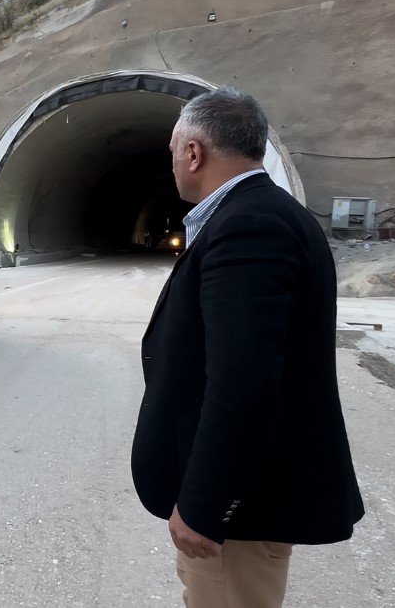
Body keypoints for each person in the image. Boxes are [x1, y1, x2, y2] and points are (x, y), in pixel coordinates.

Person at [131, 87, 365, 607]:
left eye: (172, 153)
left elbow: (243, 384)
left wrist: (204, 504)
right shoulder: (267, 214)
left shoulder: (248, 227)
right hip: (246, 496)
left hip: (239, 513)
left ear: (194, 152)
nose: (172, 166)